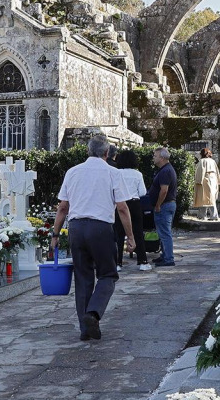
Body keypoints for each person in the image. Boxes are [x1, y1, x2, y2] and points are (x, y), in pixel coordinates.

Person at [49, 136, 135, 341]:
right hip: (100, 228)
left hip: (76, 228)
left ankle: (84, 329)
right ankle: (93, 313)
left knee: (83, 277)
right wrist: (130, 237)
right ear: (107, 153)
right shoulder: (113, 173)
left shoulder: (72, 172)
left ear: (87, 151)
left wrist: (55, 235)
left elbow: (62, 207)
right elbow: (122, 207)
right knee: (108, 274)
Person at [115, 149, 150, 270]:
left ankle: (117, 263)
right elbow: (143, 192)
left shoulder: (117, 173)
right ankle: (142, 261)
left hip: (120, 204)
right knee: (138, 232)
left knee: (119, 233)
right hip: (135, 204)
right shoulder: (137, 174)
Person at [147, 147, 179, 267]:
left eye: (155, 156)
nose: (153, 158)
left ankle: (169, 259)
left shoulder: (165, 171)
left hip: (164, 205)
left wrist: (158, 204)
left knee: (165, 233)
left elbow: (164, 190)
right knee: (163, 232)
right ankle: (165, 255)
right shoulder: (165, 170)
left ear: (162, 157)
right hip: (167, 205)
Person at [193, 148, 220, 220]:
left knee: (203, 198)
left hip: (205, 181)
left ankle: (206, 215)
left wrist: (198, 181)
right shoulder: (213, 161)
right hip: (213, 180)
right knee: (211, 198)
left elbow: (200, 171)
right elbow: (217, 172)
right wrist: (218, 181)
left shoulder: (202, 161)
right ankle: (207, 215)